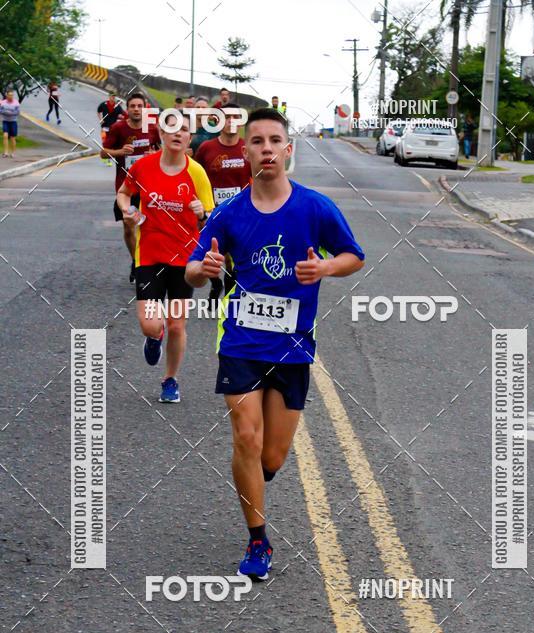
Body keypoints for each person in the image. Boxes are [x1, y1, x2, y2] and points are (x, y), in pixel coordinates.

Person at [185, 108, 364, 579]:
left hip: (292, 347)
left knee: (272, 456)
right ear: (244, 151)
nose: (266, 148)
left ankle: (254, 481)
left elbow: (353, 256)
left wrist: (324, 268)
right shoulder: (228, 212)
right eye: (256, 141)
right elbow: (191, 267)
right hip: (240, 341)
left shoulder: (314, 207)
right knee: (246, 436)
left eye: (274, 140)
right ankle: (258, 541)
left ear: (288, 150)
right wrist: (201, 271)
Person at [117, 112, 214, 402]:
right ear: (161, 133)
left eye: (184, 129)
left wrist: (201, 214)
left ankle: (170, 379)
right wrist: (128, 209)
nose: (178, 133)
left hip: (184, 259)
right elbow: (124, 193)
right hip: (148, 255)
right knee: (151, 323)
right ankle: (153, 336)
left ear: (189, 138)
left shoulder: (196, 172)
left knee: (176, 324)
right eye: (171, 128)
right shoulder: (144, 166)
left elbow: (209, 220)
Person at [194, 104, 252, 304]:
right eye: (226, 117)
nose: (231, 121)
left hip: (241, 211)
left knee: (231, 257)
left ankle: (229, 296)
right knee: (212, 253)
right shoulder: (206, 148)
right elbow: (195, 175)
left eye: (236, 116)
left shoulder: (248, 148)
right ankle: (215, 282)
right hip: (212, 210)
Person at [101, 92, 161, 282]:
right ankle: (137, 261)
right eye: (133, 106)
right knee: (129, 226)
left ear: (145, 109)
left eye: (139, 106)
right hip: (125, 187)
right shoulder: (118, 128)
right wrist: (120, 151)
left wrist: (155, 153)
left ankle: (145, 263)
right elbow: (103, 153)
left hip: (149, 187)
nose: (136, 109)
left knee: (150, 228)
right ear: (128, 109)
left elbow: (164, 152)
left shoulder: (152, 129)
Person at [1, 90, 20, 158]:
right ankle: (5, 152)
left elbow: (17, 112)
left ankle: (13, 152)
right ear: (7, 96)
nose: (10, 96)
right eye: (9, 95)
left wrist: (10, 113)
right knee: (5, 136)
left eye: (12, 95)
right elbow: (1, 110)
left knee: (12, 138)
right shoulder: (3, 103)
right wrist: (6, 112)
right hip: (5, 121)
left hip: (13, 122)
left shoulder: (16, 103)